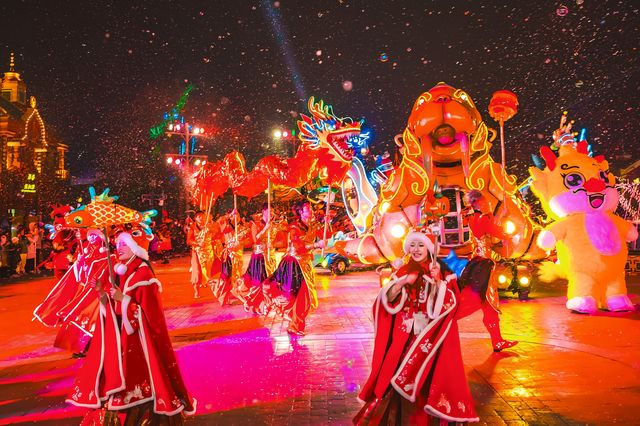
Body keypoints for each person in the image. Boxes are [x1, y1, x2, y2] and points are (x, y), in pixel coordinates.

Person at [67, 228, 196, 424]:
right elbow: (114, 309)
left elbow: (151, 317)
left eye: (124, 244)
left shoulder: (144, 275)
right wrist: (103, 294)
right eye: (117, 245)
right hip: (122, 341)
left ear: (136, 247)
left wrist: (123, 299)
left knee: (140, 384)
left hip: (140, 345)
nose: (119, 248)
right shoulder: (121, 271)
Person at [354, 228, 478, 425]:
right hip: (405, 332)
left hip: (429, 334)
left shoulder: (442, 270)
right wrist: (403, 282)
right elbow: (387, 299)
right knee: (398, 371)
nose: (416, 249)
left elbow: (451, 302)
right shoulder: (404, 270)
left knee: (424, 375)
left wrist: (438, 281)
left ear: (429, 248)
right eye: (412, 245)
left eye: (421, 245)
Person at [457, 190, 518, 352]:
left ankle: (497, 340)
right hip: (483, 266)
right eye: (484, 201)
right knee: (480, 300)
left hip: (477, 264)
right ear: (476, 202)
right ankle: (445, 322)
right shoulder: (481, 219)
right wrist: (507, 233)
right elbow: (498, 232)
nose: (486, 203)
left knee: (488, 303)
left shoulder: (470, 217)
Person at [261, 200, 323, 336]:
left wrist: (328, 222)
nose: (310, 210)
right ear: (300, 212)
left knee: (304, 296)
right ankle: (295, 325)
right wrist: (316, 245)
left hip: (305, 264)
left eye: (310, 208)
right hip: (294, 264)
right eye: (307, 209)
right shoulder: (295, 228)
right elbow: (298, 246)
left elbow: (325, 234)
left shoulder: (312, 224)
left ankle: (295, 325)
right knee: (300, 296)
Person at [241, 203, 281, 312]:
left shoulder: (275, 225)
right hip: (259, 257)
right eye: (269, 211)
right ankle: (253, 303)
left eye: (272, 211)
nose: (271, 213)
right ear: (263, 212)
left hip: (270, 257)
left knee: (268, 281)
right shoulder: (256, 224)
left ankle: (265, 303)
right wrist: (265, 229)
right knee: (258, 282)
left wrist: (273, 244)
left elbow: (278, 240)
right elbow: (255, 239)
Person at [211, 210, 248, 305]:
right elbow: (219, 223)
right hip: (229, 256)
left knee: (236, 276)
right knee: (228, 277)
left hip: (238, 256)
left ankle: (229, 296)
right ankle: (227, 297)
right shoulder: (226, 227)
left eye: (238, 215)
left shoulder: (242, 228)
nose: (236, 217)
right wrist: (228, 216)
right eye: (234, 216)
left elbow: (247, 240)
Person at [186, 211, 219, 298]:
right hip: (197, 252)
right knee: (197, 272)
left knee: (210, 270)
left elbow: (217, 232)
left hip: (208, 251)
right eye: (198, 216)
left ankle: (215, 290)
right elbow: (189, 241)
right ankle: (197, 291)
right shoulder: (192, 227)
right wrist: (197, 244)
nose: (200, 218)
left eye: (202, 216)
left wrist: (210, 229)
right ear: (195, 218)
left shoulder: (208, 225)